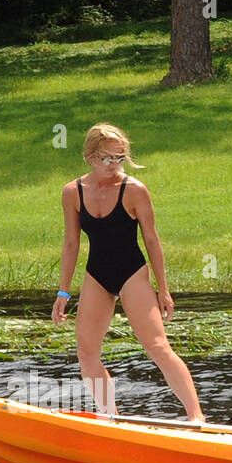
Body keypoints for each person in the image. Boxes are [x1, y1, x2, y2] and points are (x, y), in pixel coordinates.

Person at [52, 124, 205, 423]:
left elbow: (152, 239)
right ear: (90, 156)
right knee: (86, 353)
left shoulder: (134, 190)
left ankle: (196, 417)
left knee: (158, 346)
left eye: (119, 158)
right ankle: (111, 418)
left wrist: (163, 289)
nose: (114, 165)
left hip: (132, 272)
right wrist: (63, 291)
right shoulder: (73, 193)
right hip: (97, 274)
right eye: (107, 159)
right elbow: (71, 243)